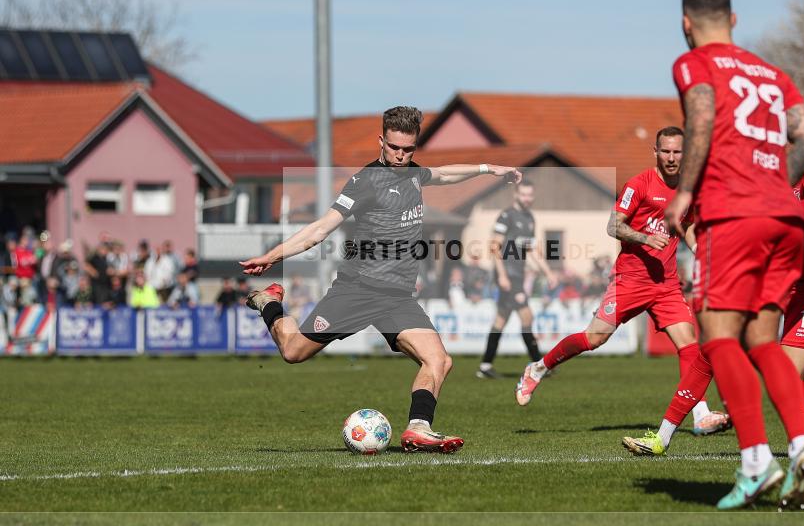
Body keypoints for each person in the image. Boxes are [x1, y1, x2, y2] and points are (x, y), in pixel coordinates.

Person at [239, 106, 522, 454]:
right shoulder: (365, 182)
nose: (401, 156)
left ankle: (418, 428)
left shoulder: (413, 174)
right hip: (358, 289)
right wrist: (272, 256)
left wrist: (489, 169)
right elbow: (321, 229)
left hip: (397, 298)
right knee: (293, 351)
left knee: (439, 360)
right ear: (381, 141)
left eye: (408, 149)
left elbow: (444, 174)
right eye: (394, 148)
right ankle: (270, 302)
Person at [662, 0, 804, 510]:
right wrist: (776, 185)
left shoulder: (695, 63)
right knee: (762, 340)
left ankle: (756, 464)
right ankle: (801, 447)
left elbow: (703, 115)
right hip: (784, 219)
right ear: (733, 20)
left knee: (717, 337)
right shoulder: (773, 74)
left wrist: (685, 192)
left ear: (687, 24)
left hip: (733, 215)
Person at [625, 159, 804, 460]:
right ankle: (661, 438)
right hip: (771, 278)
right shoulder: (763, 169)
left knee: (788, 387)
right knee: (712, 347)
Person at [514, 127, 729, 436]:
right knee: (594, 338)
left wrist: (698, 250)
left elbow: (689, 225)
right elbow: (613, 225)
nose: (671, 157)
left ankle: (701, 415)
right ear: (655, 152)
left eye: (677, 152)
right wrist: (644, 238)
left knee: (689, 344)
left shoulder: (688, 190)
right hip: (630, 280)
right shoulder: (640, 184)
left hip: (666, 284)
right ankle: (538, 368)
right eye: (666, 151)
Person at [477, 180, 558, 379]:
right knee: (527, 316)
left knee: (500, 320)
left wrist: (548, 272)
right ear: (516, 194)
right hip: (508, 277)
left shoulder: (529, 218)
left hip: (518, 277)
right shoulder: (507, 216)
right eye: (523, 194)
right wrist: (502, 275)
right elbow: (494, 246)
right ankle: (539, 366)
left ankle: (485, 366)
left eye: (530, 195)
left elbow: (532, 249)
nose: (527, 198)